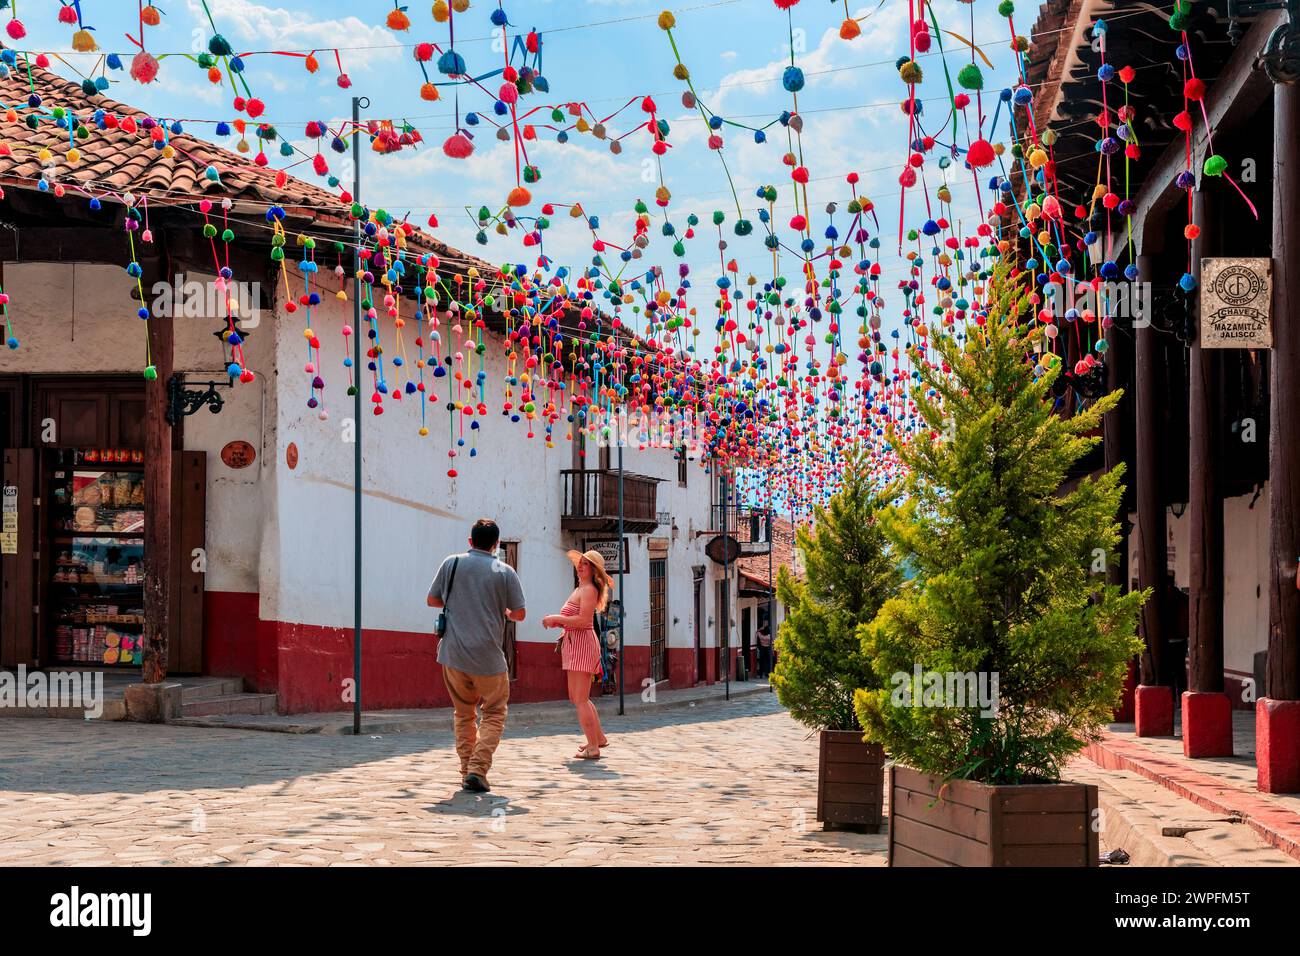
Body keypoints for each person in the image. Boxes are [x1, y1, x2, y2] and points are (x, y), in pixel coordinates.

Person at [428, 519, 526, 793]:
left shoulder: (452, 563)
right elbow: (519, 613)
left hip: (453, 655)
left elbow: (432, 600)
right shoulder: (504, 570)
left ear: (470, 541)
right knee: (494, 712)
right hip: (488, 658)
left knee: (463, 713)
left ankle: (465, 771)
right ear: (496, 545)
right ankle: (478, 769)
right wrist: (503, 611)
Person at [543, 549, 611, 759]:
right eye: (580, 563)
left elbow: (584, 621)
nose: (580, 566)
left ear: (594, 570)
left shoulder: (589, 590)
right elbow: (575, 619)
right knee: (578, 697)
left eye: (586, 564)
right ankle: (598, 738)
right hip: (574, 643)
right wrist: (559, 622)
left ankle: (593, 747)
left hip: (582, 643)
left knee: (580, 699)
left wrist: (557, 618)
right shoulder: (580, 589)